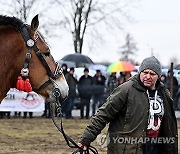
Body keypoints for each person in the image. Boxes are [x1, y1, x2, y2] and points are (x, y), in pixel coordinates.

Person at [78, 56, 178, 154]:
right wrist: (86, 139)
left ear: (158, 76)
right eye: (145, 72)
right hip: (127, 148)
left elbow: (169, 125)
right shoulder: (126, 90)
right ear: (140, 72)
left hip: (155, 148)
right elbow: (103, 114)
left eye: (152, 74)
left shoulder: (164, 94)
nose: (148, 76)